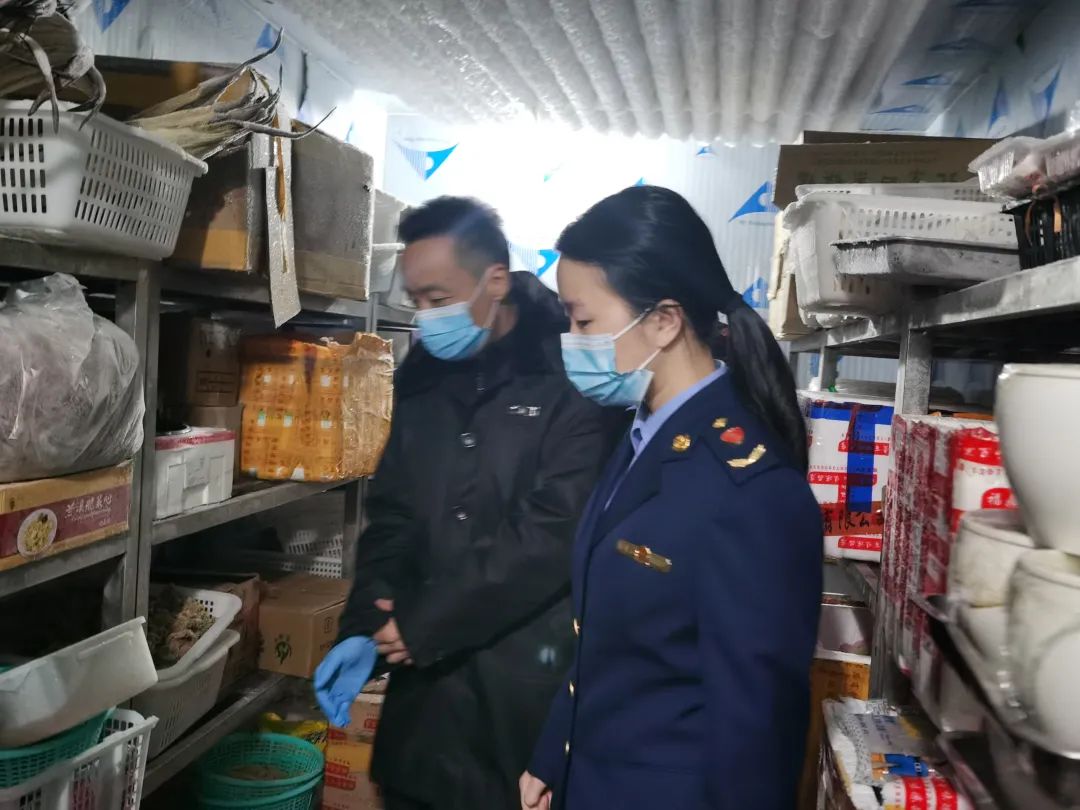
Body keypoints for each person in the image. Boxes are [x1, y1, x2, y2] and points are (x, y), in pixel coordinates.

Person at [520, 186, 824, 810]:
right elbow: (608, 640)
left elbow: (757, 731)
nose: (571, 340)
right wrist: (555, 757)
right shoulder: (641, 434)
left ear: (663, 320)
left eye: (583, 322)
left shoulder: (750, 491)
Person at [315, 196, 623, 810]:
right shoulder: (422, 374)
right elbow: (395, 512)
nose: (427, 316)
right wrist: (363, 623)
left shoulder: (570, 369)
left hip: (516, 694)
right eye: (416, 299)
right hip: (422, 705)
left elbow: (551, 532)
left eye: (439, 298)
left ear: (496, 281)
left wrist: (426, 623)